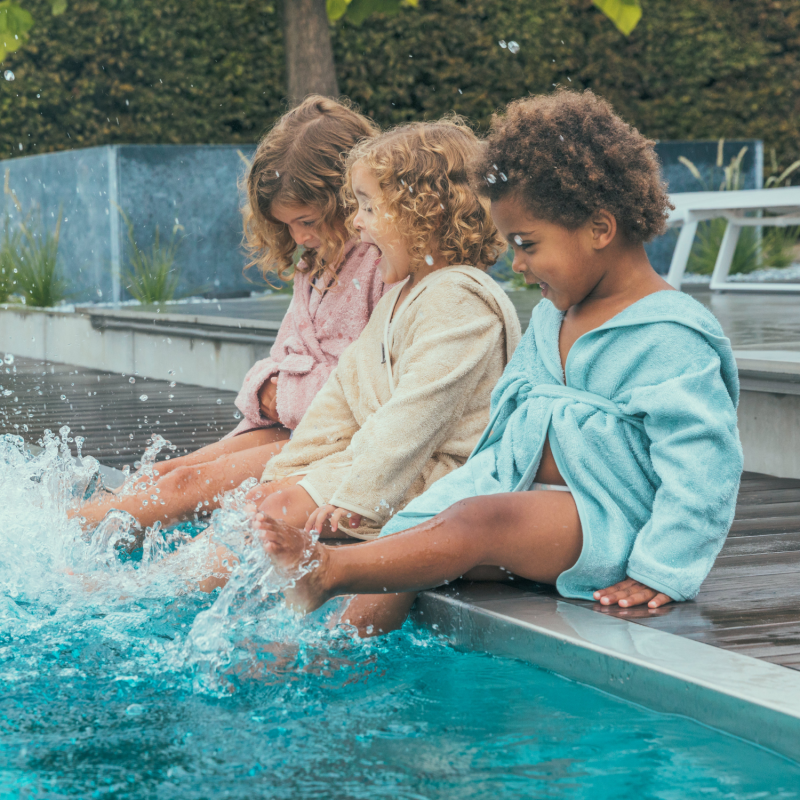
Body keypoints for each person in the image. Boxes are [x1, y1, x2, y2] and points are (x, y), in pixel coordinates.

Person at [250, 90, 744, 636]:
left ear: (600, 230)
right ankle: (333, 657)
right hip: (528, 498)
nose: (519, 264)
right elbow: (503, 432)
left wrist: (662, 569)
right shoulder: (556, 320)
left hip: (610, 522)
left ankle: (328, 572)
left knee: (476, 521)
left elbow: (703, 467)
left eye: (528, 244)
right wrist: (428, 501)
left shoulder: (669, 335)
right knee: (409, 532)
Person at [195, 117, 522, 614]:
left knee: (282, 511)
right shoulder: (402, 298)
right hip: (384, 469)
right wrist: (289, 469)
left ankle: (184, 603)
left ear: (422, 214)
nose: (358, 222)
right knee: (264, 501)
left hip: (439, 477)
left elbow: (414, 418)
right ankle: (216, 608)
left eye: (370, 207)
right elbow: (340, 402)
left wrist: (359, 499)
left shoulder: (460, 299)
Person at [76, 96, 387, 534]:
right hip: (294, 424)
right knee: (163, 475)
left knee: (186, 485)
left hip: (334, 442)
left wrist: (283, 395)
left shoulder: (381, 264)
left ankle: (70, 551)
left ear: (347, 199)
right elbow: (283, 362)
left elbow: (372, 386)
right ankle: (67, 541)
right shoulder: (315, 266)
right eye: (287, 225)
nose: (299, 235)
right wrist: (265, 388)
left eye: (308, 220)